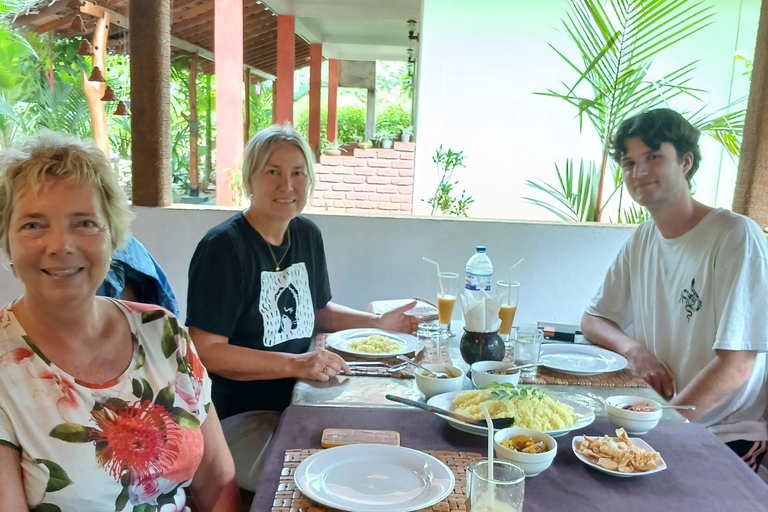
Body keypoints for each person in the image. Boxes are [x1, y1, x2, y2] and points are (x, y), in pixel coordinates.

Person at [0, 131, 240, 510]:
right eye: (33, 224)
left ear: (113, 237)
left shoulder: (164, 333)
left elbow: (220, 483)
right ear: (7, 242)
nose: (61, 245)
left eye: (84, 223)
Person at [186, 124, 420, 491]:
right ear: (249, 179)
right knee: (324, 479)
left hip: (299, 401)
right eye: (273, 172)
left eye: (298, 173)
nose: (287, 185)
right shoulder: (223, 248)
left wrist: (377, 323)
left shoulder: (307, 234)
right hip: (240, 416)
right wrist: (296, 364)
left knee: (382, 450)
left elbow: (318, 311)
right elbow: (205, 350)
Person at [581, 108, 768, 471]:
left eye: (653, 157)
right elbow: (593, 319)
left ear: (686, 162)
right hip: (659, 418)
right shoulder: (644, 238)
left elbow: (737, 365)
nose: (639, 172)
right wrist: (635, 350)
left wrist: (666, 426)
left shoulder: (735, 236)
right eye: (629, 162)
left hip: (722, 433)